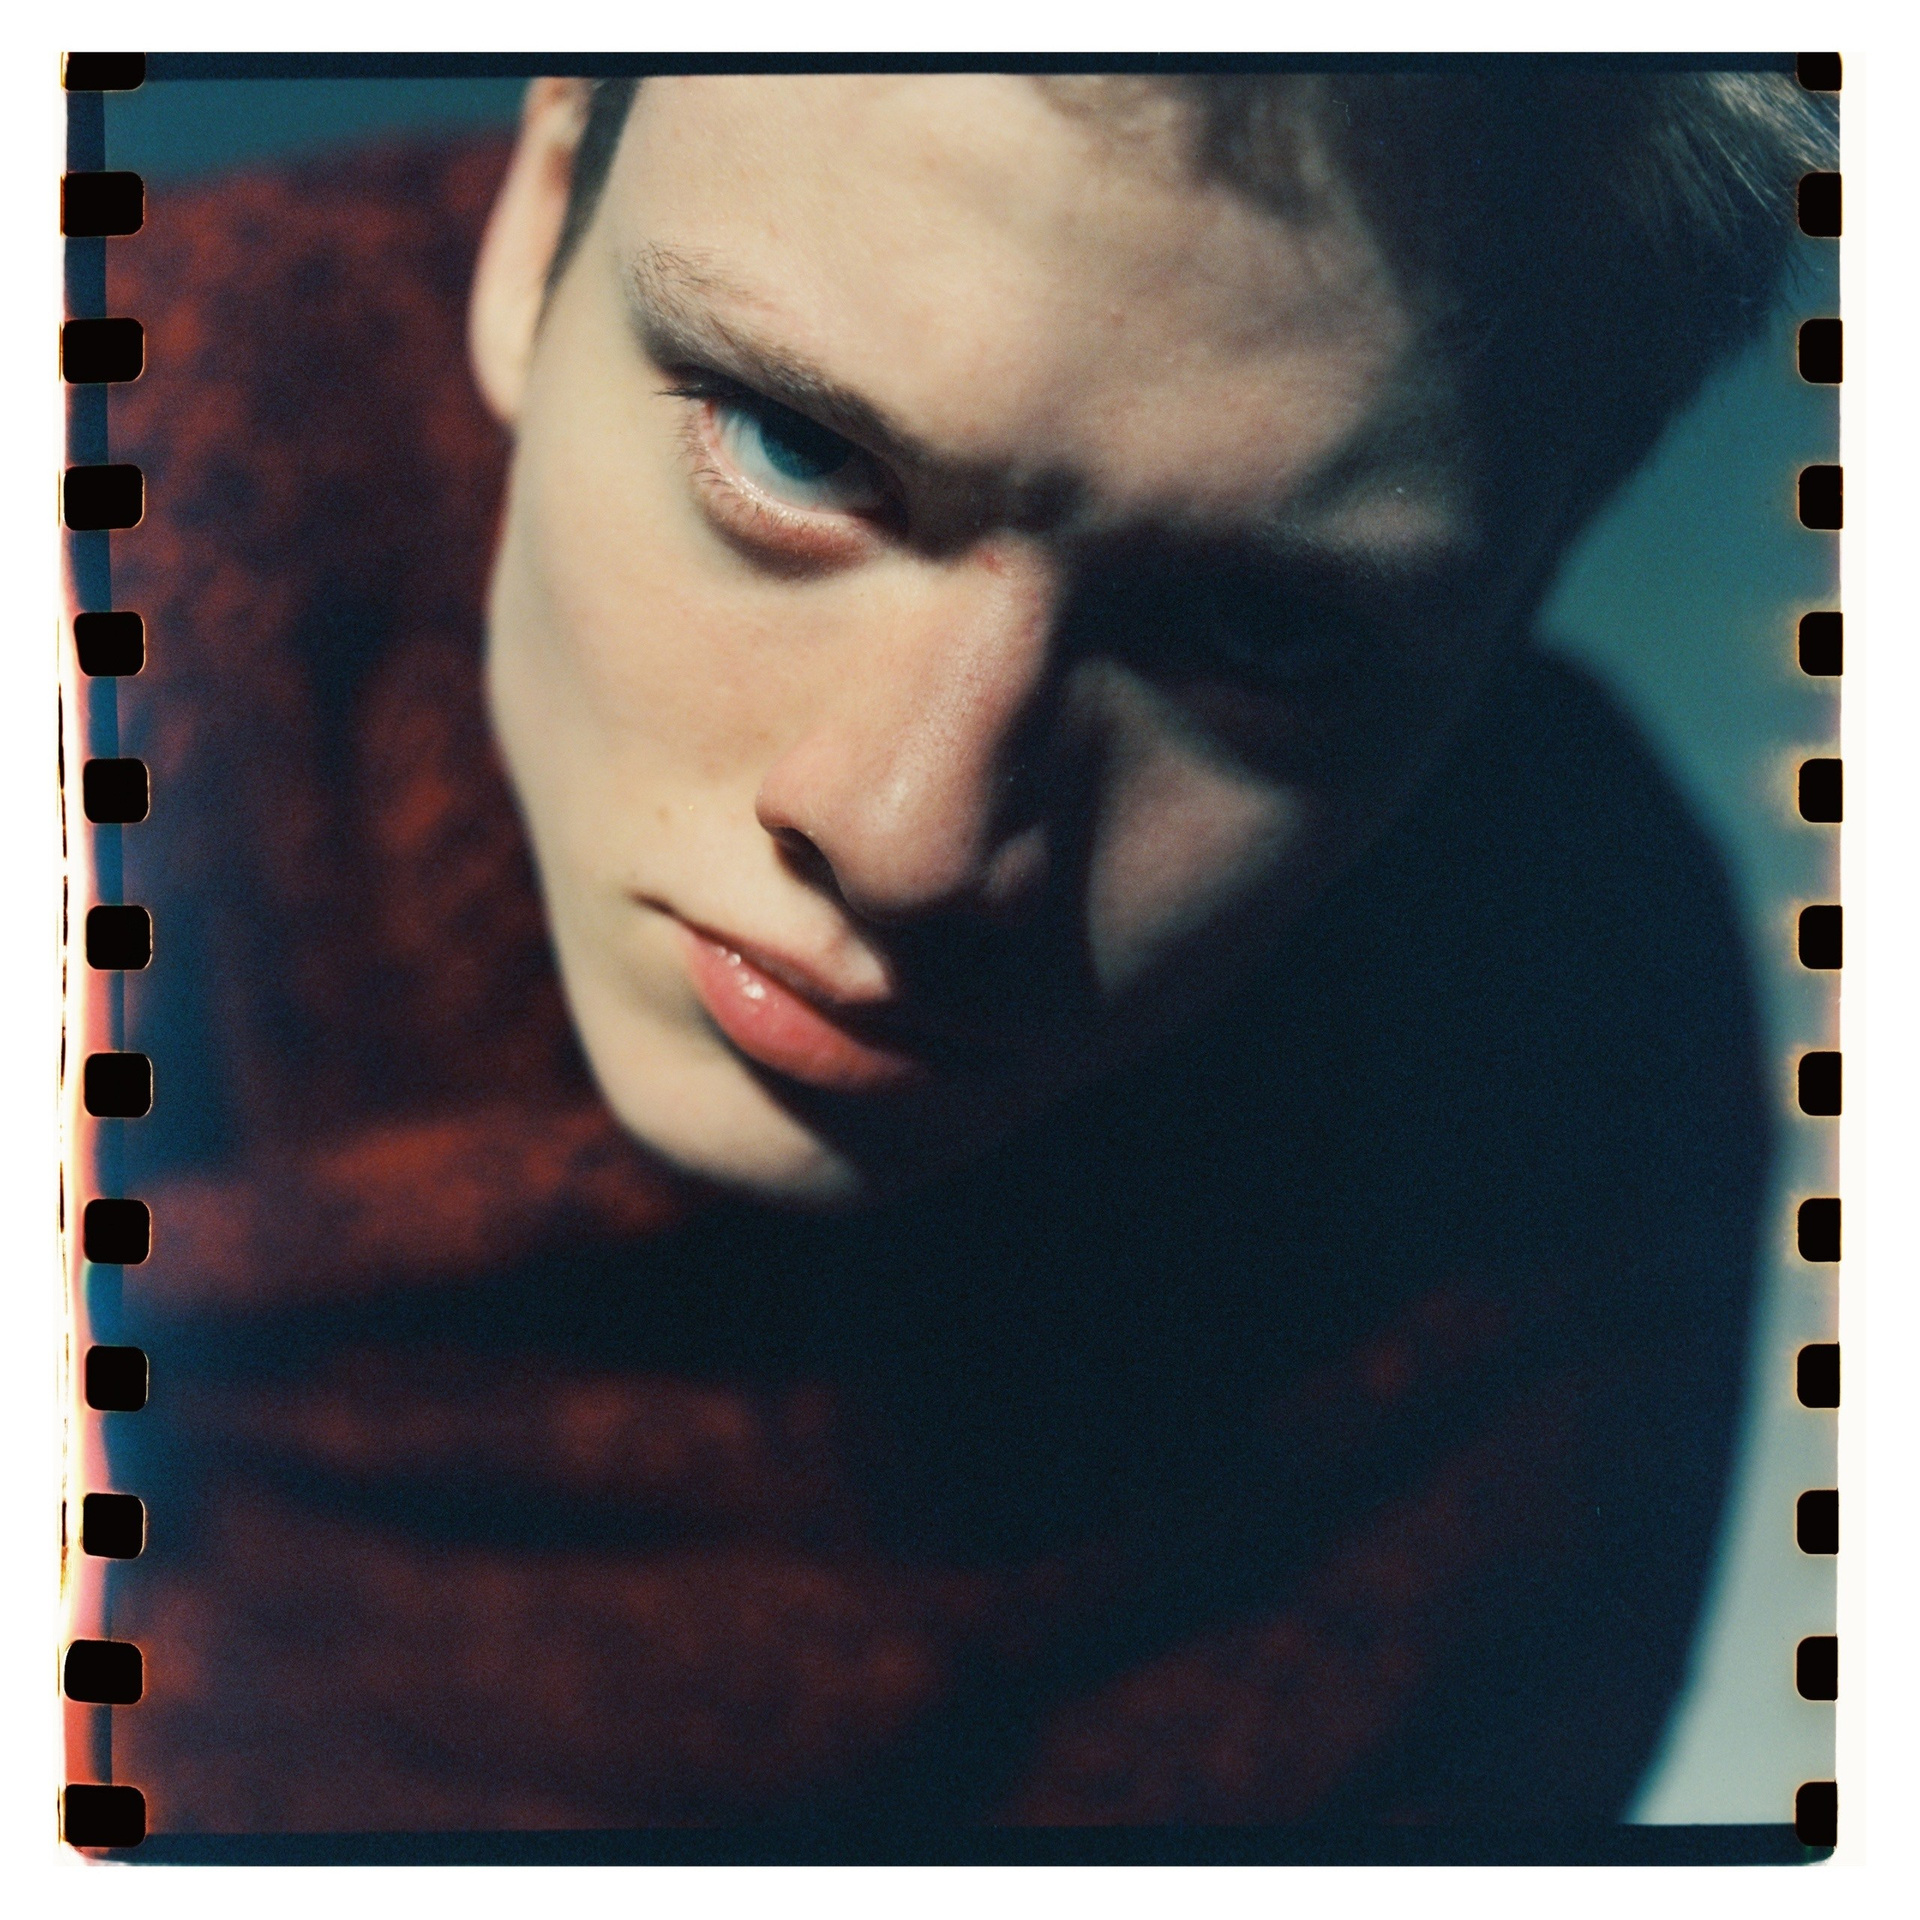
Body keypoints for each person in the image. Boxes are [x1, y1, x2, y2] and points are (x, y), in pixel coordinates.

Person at [102, 69, 1829, 1841]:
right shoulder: (106, 518)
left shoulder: (1571, 1063)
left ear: (1528, 582)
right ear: (539, 222)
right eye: (795, 446)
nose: (914, 843)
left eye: (1259, 628)